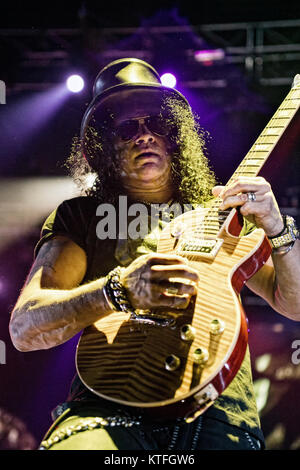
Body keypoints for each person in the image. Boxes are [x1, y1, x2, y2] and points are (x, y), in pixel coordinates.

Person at [9, 58, 300, 450]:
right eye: (128, 128)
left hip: (219, 412)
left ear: (174, 135)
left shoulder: (224, 212)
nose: (144, 135)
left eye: (156, 124)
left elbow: (293, 305)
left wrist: (279, 229)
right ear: (104, 145)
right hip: (105, 410)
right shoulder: (79, 217)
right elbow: (24, 329)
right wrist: (116, 290)